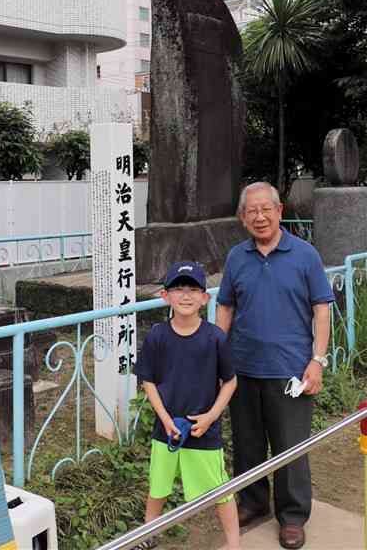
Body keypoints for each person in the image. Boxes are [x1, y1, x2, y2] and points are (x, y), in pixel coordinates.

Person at [216, 182, 333, 550]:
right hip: (243, 368)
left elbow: (322, 309)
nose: (260, 216)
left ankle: (293, 516)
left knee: (290, 446)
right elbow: (225, 307)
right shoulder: (236, 257)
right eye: (252, 211)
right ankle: (253, 502)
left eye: (266, 209)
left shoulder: (305, 255)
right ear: (242, 217)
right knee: (247, 443)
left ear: (279, 210)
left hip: (291, 371)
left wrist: (317, 360)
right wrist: (218, 358)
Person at [134, 260, 240, 550]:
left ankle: (233, 543)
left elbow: (229, 382)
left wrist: (211, 417)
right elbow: (148, 381)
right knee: (158, 485)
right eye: (178, 288)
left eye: (193, 289)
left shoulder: (215, 337)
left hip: (202, 430)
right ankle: (148, 533)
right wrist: (165, 418)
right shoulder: (157, 335)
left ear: (205, 298)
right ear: (164, 296)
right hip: (165, 430)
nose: (186, 295)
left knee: (220, 488)